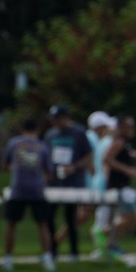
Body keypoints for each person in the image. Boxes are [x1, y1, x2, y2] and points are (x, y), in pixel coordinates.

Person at [1, 118, 55, 271]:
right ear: (37, 130)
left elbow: (4, 165)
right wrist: (41, 181)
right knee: (42, 224)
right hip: (37, 190)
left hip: (17, 189)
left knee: (11, 224)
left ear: (21, 130)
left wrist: (16, 173)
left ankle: (8, 260)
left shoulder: (13, 143)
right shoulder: (42, 146)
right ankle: (48, 258)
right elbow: (50, 172)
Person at [43, 105, 93, 260]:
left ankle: (74, 252)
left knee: (70, 217)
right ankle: (52, 251)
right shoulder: (50, 135)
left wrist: (74, 167)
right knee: (49, 216)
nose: (55, 122)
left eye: (58, 119)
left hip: (73, 181)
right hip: (55, 181)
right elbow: (46, 156)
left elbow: (89, 156)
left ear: (66, 118)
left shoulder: (78, 133)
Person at [105, 114, 136, 256]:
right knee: (134, 218)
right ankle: (106, 233)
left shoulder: (125, 144)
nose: (132, 129)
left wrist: (135, 155)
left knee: (127, 218)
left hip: (124, 185)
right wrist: (127, 170)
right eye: (129, 126)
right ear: (121, 128)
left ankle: (112, 244)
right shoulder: (118, 142)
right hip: (119, 186)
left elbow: (123, 155)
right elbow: (107, 159)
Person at [83, 111, 116, 256]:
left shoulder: (100, 141)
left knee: (102, 216)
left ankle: (103, 248)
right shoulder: (105, 142)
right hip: (102, 183)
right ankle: (102, 249)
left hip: (97, 181)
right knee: (103, 217)